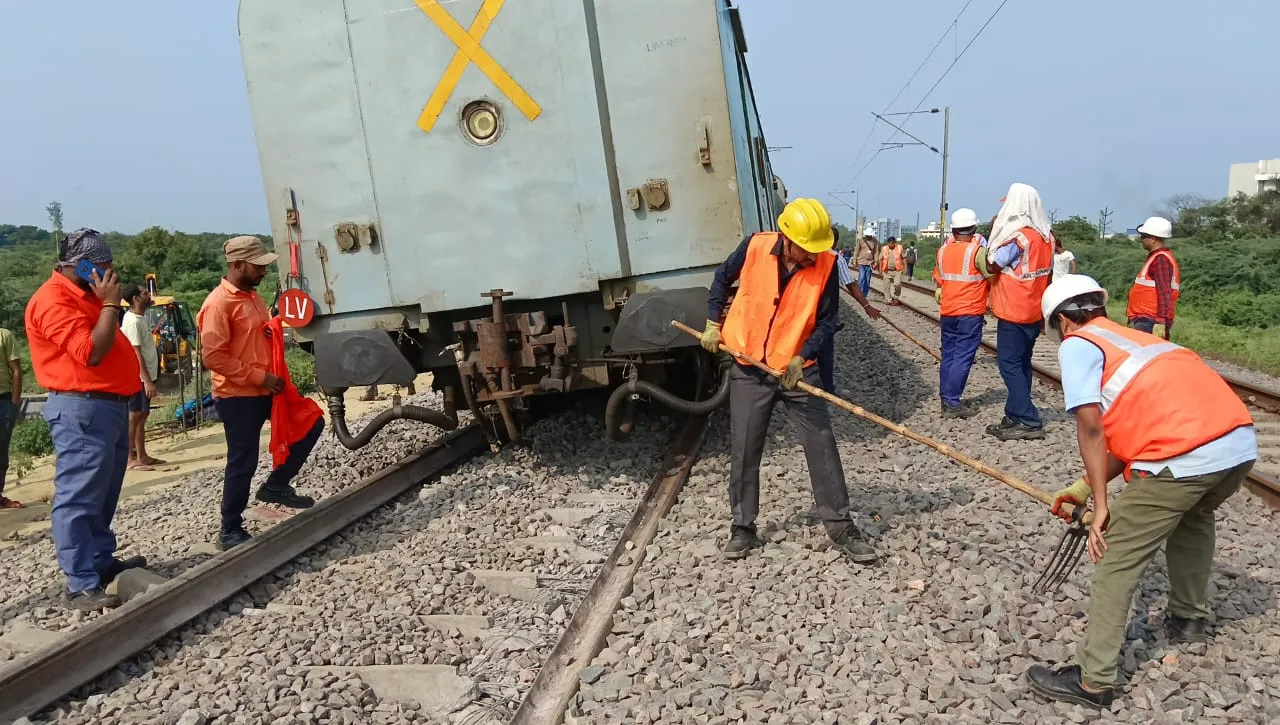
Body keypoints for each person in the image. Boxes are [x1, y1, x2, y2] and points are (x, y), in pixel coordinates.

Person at [1025, 274, 1256, 709]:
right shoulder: (1138, 340)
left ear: (1062, 323)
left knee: (1116, 560)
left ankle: (1092, 681)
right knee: (1194, 515)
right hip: (1237, 447)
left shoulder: (1079, 344)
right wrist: (1082, 488)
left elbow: (1092, 428)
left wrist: (1103, 506)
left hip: (1181, 455)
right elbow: (1135, 433)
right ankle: (1189, 619)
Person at [699, 199, 877, 563]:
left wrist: (800, 355)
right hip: (750, 366)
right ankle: (743, 527)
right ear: (787, 238)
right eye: (807, 250)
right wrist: (713, 322)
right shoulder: (754, 246)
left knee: (822, 444)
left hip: (798, 371)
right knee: (745, 448)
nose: (813, 256)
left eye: (817, 249)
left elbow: (827, 321)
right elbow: (721, 278)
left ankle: (841, 527)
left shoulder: (826, 264)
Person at [24, 229, 147, 610]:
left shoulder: (84, 295)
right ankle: (79, 584)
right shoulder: (53, 301)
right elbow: (90, 352)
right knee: (78, 497)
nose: (110, 272)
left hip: (107, 405)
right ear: (82, 265)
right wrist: (111, 306)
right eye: (103, 265)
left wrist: (104, 303)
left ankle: (99, 561)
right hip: (82, 407)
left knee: (103, 492)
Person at [198, 236, 321, 550]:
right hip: (238, 395)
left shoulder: (250, 297)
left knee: (310, 422)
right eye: (259, 266)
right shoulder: (218, 303)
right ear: (238, 265)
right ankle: (229, 529)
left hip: (266, 387)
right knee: (243, 461)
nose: (264, 272)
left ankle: (276, 486)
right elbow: (213, 356)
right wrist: (257, 377)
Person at [978, 183, 1055, 441]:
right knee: (1022, 364)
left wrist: (994, 235)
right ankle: (1014, 413)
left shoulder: (1019, 238)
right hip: (1034, 308)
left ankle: (1029, 419)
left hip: (1013, 308)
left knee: (1009, 364)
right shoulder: (1046, 237)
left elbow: (994, 264)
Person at [932, 209, 989, 418]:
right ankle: (952, 402)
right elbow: (991, 275)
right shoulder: (977, 251)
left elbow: (939, 276)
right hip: (970, 311)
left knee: (949, 354)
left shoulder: (943, 251)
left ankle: (946, 397)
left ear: (953, 230)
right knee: (963, 356)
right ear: (974, 228)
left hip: (948, 310)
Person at [817, 226, 881, 392]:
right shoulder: (835, 258)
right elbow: (851, 285)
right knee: (825, 350)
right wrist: (866, 306)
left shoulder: (810, 253)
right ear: (835, 242)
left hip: (805, 308)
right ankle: (827, 387)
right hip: (825, 312)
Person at [120, 284, 165, 470]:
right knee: (134, 415)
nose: (149, 295)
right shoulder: (132, 322)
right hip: (137, 377)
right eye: (145, 293)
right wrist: (146, 379)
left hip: (147, 375)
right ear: (136, 299)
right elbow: (135, 352)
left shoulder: (142, 318)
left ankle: (142, 455)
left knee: (143, 414)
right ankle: (130, 458)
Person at [1126, 216, 1178, 339]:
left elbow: (1164, 292)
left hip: (1149, 320)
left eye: (1144, 236)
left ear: (1153, 239)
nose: (1141, 239)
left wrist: (1161, 321)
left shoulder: (1161, 260)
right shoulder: (1156, 258)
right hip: (1144, 318)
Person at [0, 326, 23, 508]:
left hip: (4, 402)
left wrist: (14, 404)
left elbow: (16, 370)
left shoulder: (4, 335)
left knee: (1, 452)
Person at [878, 236, 905, 305]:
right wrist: (880, 269)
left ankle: (895, 297)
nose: (890, 245)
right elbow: (881, 259)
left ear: (894, 243)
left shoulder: (899, 248)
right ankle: (888, 299)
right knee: (886, 286)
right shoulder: (884, 249)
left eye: (892, 243)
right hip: (887, 271)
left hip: (897, 270)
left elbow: (904, 258)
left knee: (897, 284)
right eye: (889, 243)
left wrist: (906, 268)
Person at [854, 230, 877, 298]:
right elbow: (856, 251)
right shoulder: (861, 241)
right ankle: (859, 294)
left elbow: (876, 252)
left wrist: (876, 261)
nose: (868, 237)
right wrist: (854, 261)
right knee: (861, 278)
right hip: (861, 262)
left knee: (867, 280)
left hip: (870, 263)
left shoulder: (875, 241)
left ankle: (864, 295)